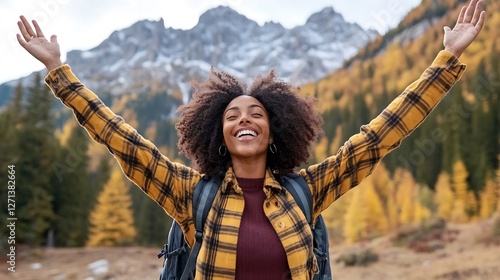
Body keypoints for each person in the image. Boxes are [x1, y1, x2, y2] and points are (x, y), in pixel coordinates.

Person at [17, 0, 486, 279]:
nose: (244, 120)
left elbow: (379, 136)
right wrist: (60, 74)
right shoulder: (190, 193)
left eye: (256, 113)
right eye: (232, 115)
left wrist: (445, 62)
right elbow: (123, 141)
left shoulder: (308, 190)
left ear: (274, 129)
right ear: (218, 134)